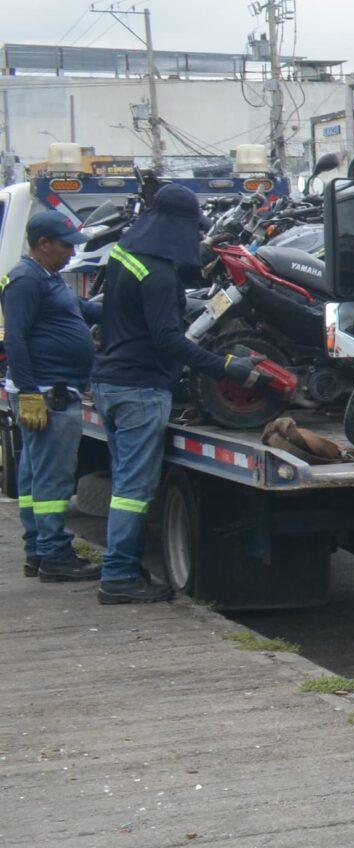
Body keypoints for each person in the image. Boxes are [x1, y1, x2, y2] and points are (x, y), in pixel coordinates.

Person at [91, 185, 264, 604]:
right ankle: (118, 576)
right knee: (134, 489)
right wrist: (224, 366)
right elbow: (168, 339)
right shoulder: (158, 275)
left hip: (109, 382)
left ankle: (125, 566)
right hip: (139, 390)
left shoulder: (125, 255)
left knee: (124, 483)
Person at [4, 207, 99, 583]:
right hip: (47, 393)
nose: (72, 253)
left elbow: (82, 310)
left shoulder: (49, 277)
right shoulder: (26, 280)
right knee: (53, 478)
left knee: (35, 474)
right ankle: (55, 555)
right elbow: (15, 338)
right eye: (65, 245)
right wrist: (29, 392)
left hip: (49, 390)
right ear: (43, 244)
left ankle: (38, 550)